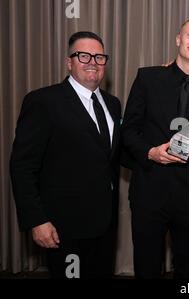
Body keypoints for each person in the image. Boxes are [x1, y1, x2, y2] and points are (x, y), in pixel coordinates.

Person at [121, 18, 189, 279]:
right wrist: (151, 152)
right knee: (146, 269)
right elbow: (128, 132)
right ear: (178, 39)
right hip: (149, 192)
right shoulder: (147, 78)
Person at [10, 31, 121, 278]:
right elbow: (22, 166)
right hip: (63, 227)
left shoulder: (113, 104)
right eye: (84, 55)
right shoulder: (43, 101)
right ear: (69, 62)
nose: (93, 61)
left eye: (99, 57)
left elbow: (114, 156)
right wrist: (37, 220)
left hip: (105, 226)